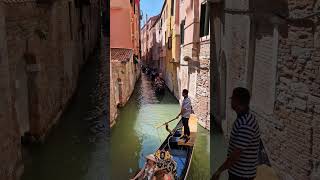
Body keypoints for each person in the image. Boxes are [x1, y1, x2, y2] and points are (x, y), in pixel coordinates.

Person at [211, 87, 261, 180]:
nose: (230, 101)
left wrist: (219, 171)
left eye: (232, 98)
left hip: (242, 175)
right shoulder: (245, 118)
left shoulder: (245, 124)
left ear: (237, 101)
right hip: (241, 172)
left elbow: (235, 155)